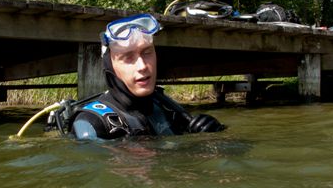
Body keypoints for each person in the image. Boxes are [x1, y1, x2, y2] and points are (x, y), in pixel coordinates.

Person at [69, 14, 225, 140]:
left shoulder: (164, 106)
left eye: (147, 52)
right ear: (110, 66)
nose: (142, 66)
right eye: (128, 57)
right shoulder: (91, 124)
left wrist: (213, 135)